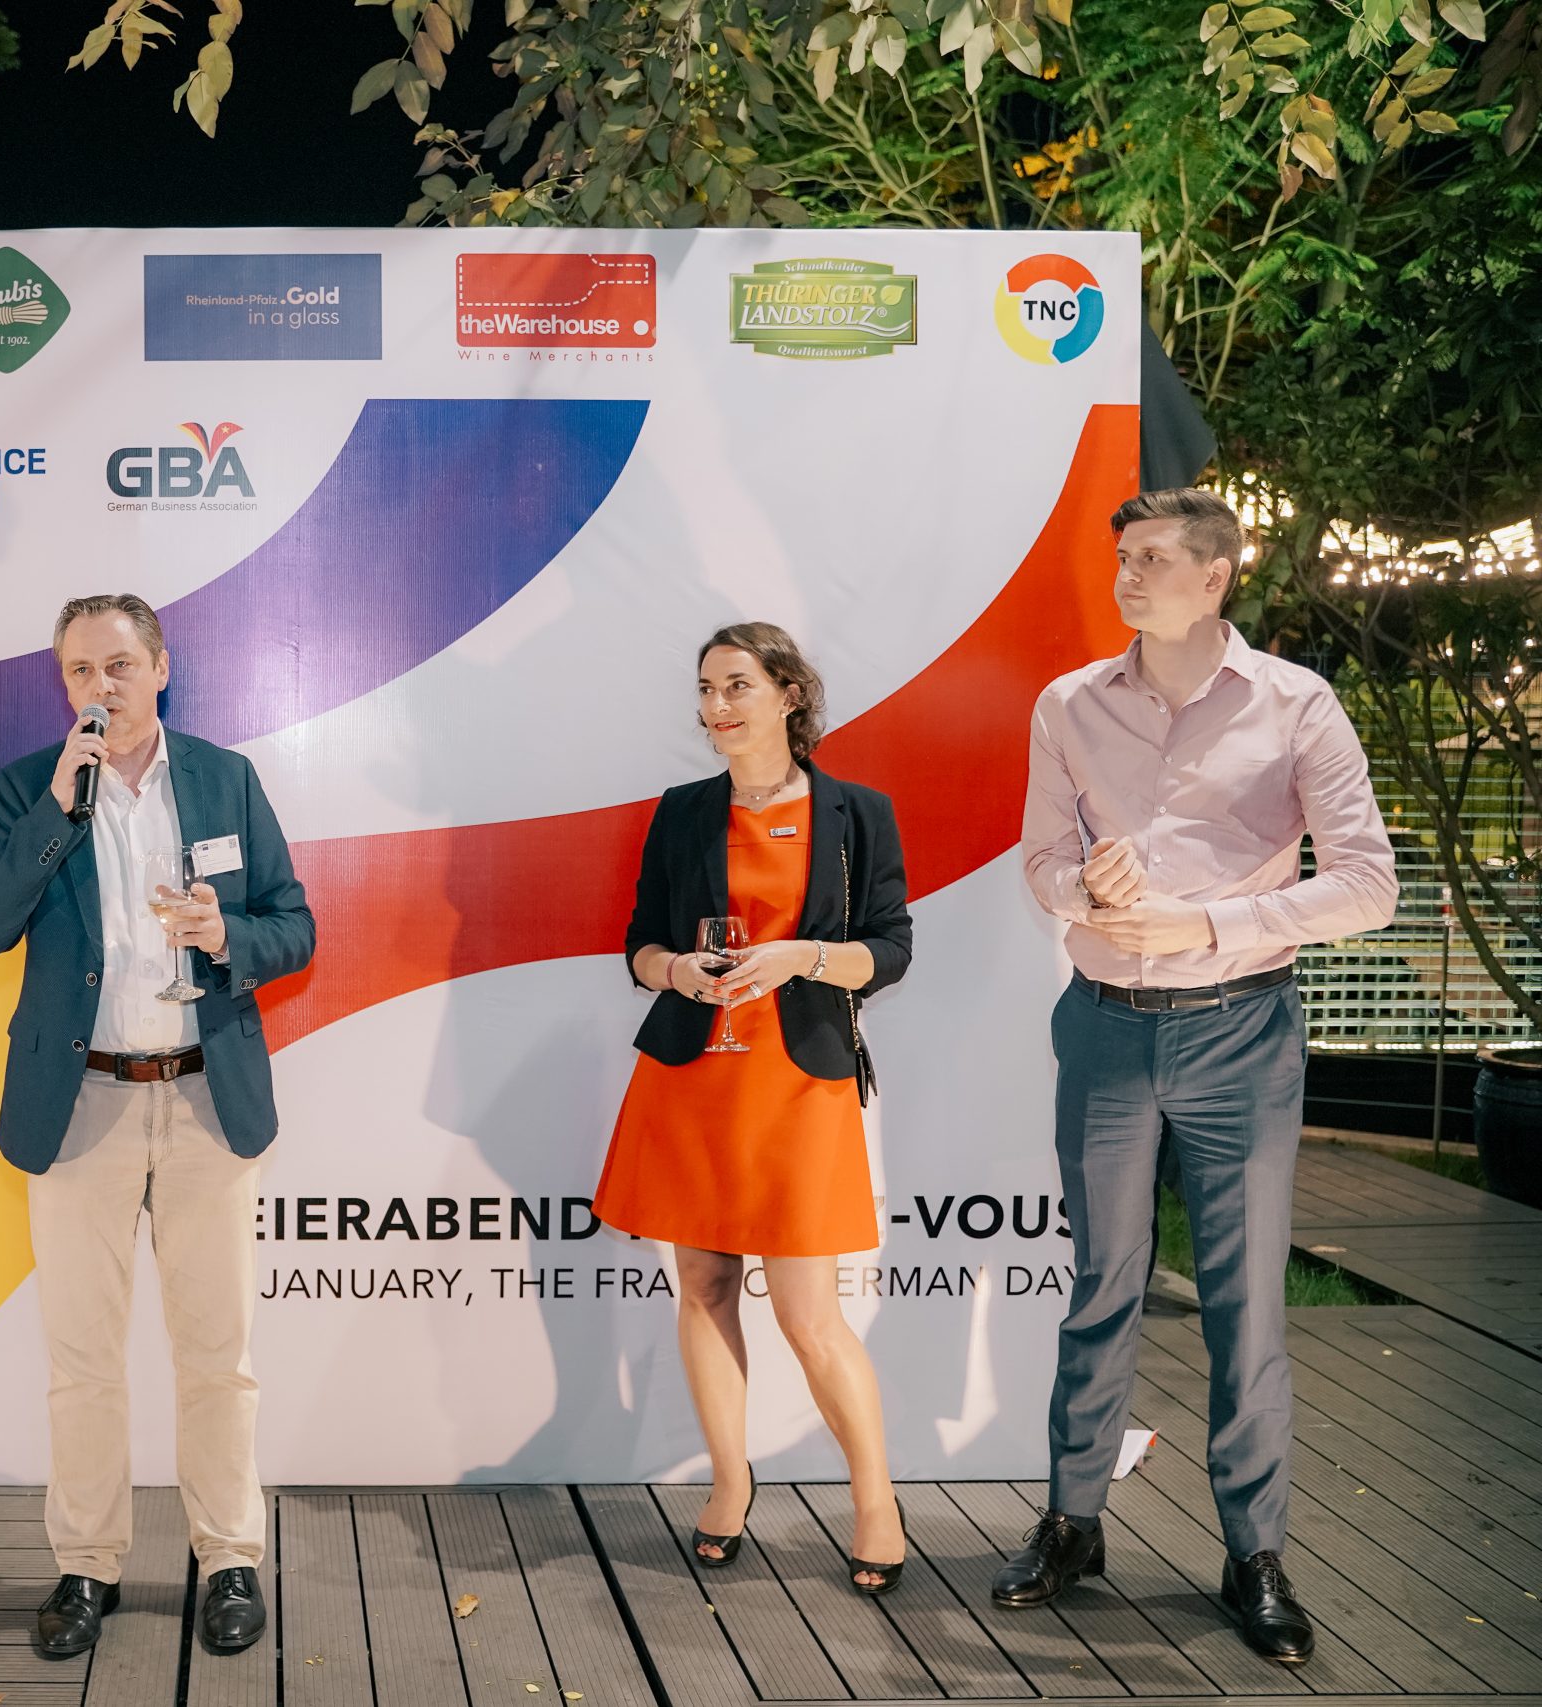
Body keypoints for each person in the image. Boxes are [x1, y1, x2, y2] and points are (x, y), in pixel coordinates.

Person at [998, 488, 1396, 1663]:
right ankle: (1073, 1524)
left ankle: (1252, 1554)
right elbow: (1041, 859)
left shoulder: (1296, 703)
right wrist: (1085, 888)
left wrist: (1209, 923)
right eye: (1123, 557)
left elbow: (1367, 885)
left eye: (1153, 558)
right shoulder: (1068, 704)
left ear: (1215, 576)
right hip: (1104, 1027)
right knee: (1100, 1285)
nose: (1127, 575)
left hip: (1241, 1031)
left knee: (1245, 1305)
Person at [0, 594, 315, 1661]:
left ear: (160, 667)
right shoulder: (30, 786)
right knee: (82, 1359)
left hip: (205, 1098)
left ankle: (229, 1556)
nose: (99, 687)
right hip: (81, 1106)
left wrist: (227, 934)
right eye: (79, 670)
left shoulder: (224, 778)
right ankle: (87, 1565)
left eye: (117, 665)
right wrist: (54, 814)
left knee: (217, 1354)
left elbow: (294, 926)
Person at [596, 622, 914, 1595]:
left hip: (799, 1080)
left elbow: (890, 950)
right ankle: (729, 1483)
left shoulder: (857, 813)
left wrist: (800, 957)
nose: (716, 706)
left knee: (810, 1318)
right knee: (701, 1286)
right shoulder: (682, 811)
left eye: (737, 685)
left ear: (789, 694)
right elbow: (639, 943)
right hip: (694, 1075)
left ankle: (875, 1502)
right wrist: (678, 973)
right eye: (705, 688)